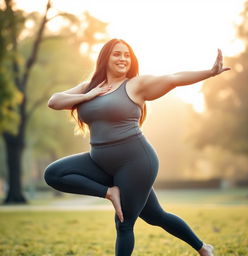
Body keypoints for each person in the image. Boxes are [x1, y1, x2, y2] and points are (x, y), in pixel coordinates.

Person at [44, 38, 230, 256]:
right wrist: (87, 95)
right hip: (100, 162)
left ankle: (203, 249)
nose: (123, 59)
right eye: (117, 54)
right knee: (54, 174)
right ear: (105, 57)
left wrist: (209, 72)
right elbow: (54, 101)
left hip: (136, 162)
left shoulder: (136, 85)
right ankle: (204, 248)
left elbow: (173, 78)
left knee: (124, 223)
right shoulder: (91, 86)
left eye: (126, 55)